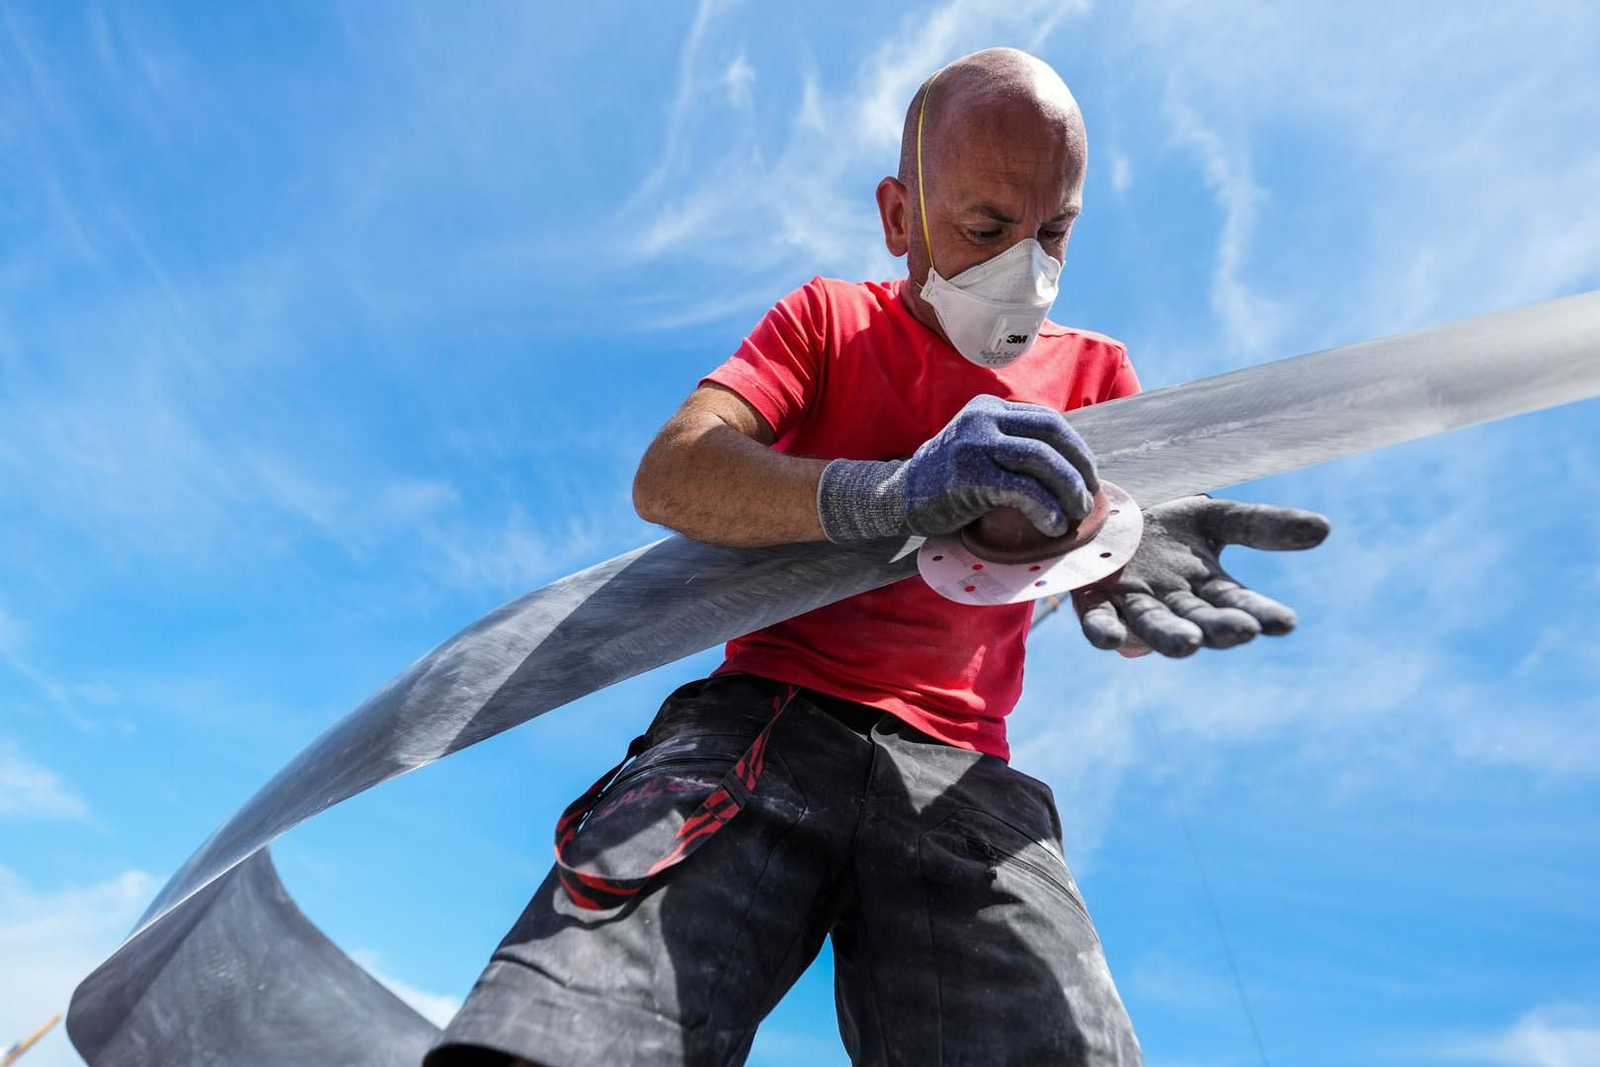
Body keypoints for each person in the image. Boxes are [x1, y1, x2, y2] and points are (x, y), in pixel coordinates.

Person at [427, 47, 1328, 1067]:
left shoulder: (1094, 372)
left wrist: (1124, 541)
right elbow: (673, 473)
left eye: (1055, 232)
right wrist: (888, 492)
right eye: (986, 228)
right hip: (757, 727)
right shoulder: (827, 320)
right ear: (899, 217)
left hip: (962, 778)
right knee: (556, 1037)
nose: (1022, 268)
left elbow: (1110, 522)